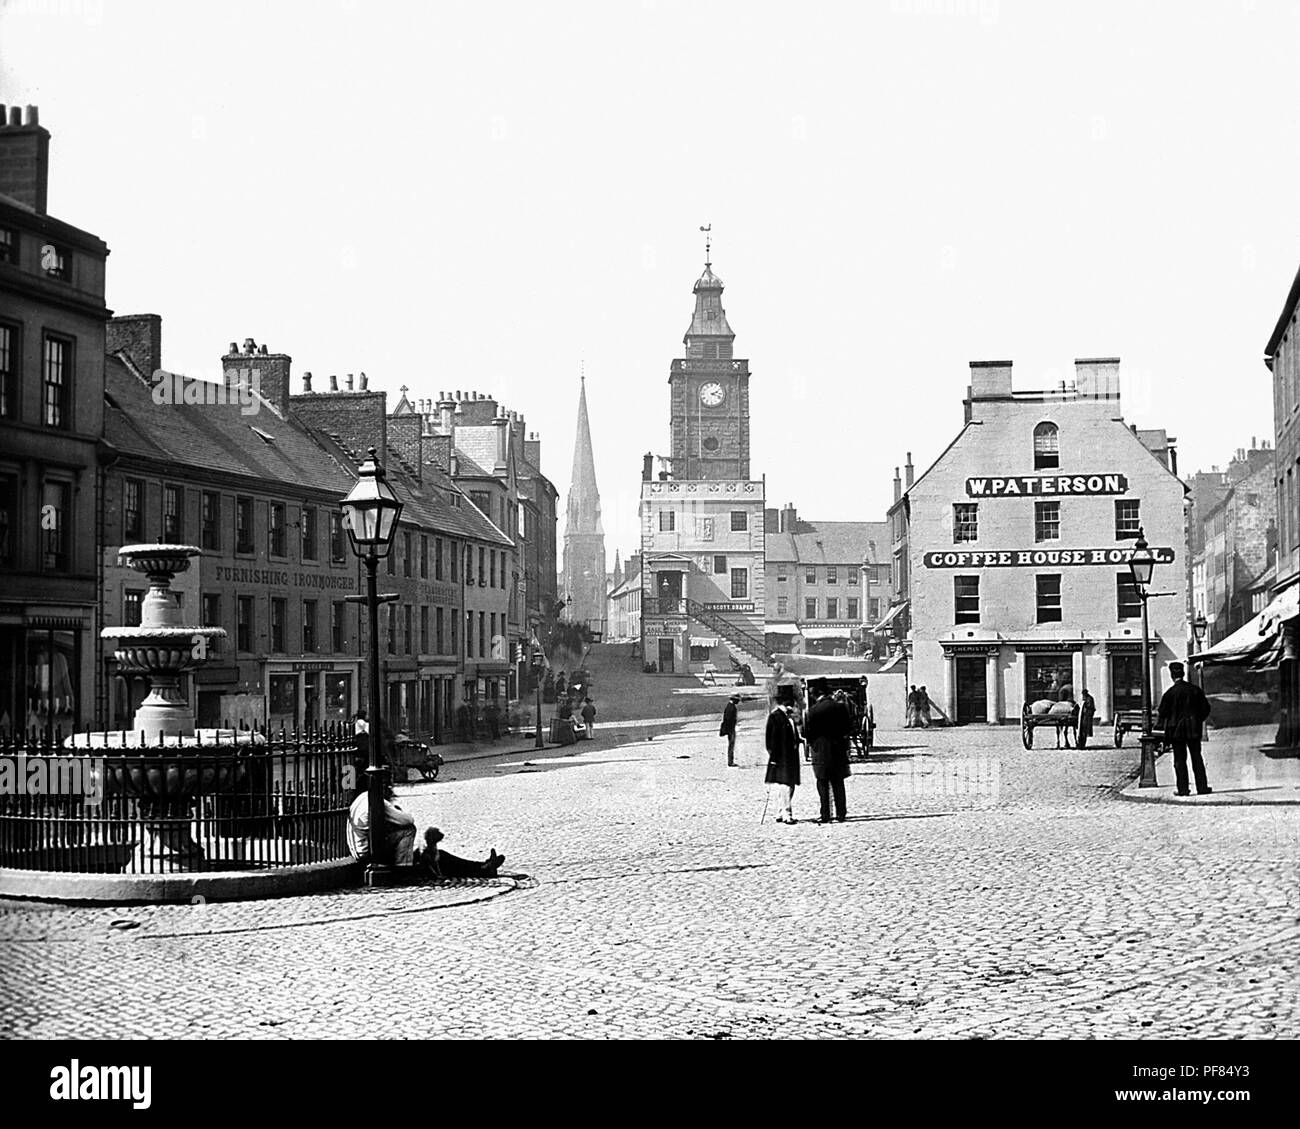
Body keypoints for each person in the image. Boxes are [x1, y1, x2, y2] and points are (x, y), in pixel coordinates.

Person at [1157, 661, 1213, 796]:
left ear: (1172, 675)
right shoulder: (1195, 690)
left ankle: (1183, 789)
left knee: (1179, 760)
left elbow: (1162, 713)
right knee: (1197, 758)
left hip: (1176, 732)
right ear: (1183, 674)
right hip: (1193, 730)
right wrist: (1197, 720)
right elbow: (1206, 708)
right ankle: (1202, 788)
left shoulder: (1169, 694)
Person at [804, 678, 853, 823]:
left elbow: (807, 733)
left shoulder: (813, 711)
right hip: (838, 749)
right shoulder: (840, 708)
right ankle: (841, 814)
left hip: (820, 751)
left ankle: (825, 814)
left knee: (822, 783)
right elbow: (848, 728)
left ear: (816, 694)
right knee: (838, 783)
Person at [347, 781, 417, 867]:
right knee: (409, 830)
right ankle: (403, 868)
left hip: (356, 849)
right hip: (367, 852)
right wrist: (401, 812)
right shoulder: (377, 800)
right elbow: (408, 820)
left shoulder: (362, 797)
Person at [764, 700, 801, 824]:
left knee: (790, 785)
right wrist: (774, 757)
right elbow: (770, 739)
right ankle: (787, 814)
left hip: (791, 757)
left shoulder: (788, 718)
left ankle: (780, 812)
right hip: (781, 757)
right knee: (785, 786)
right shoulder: (775, 717)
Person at [415, 828, 505, 879]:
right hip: (443, 868)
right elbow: (430, 867)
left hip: (441, 864)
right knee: (462, 866)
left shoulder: (432, 851)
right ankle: (485, 867)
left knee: (461, 863)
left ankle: (484, 865)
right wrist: (439, 876)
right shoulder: (426, 853)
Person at [719, 694, 740, 766]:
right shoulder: (731, 707)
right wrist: (731, 729)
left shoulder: (730, 706)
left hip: (730, 728)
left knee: (731, 744)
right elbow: (728, 719)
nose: (738, 701)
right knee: (731, 744)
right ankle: (730, 762)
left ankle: (730, 761)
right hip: (730, 729)